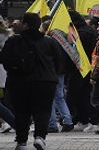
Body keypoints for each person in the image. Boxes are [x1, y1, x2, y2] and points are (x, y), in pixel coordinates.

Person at [0, 13, 61, 150]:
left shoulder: (14, 41)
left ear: (25, 24)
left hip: (20, 82)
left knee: (22, 112)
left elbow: (4, 59)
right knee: (43, 111)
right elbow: (59, 62)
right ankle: (40, 138)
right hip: (45, 82)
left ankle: (22, 142)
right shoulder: (50, 41)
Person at [66, 11, 98, 132]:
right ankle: (85, 120)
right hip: (90, 67)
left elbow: (78, 52)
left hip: (80, 68)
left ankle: (86, 120)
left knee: (78, 96)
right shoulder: (90, 30)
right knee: (85, 95)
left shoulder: (80, 33)